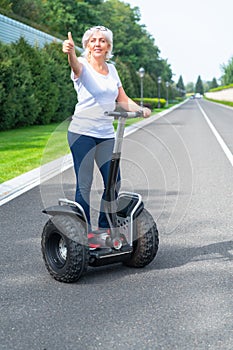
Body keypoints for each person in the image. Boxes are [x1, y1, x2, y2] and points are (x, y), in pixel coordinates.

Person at [62, 25, 151, 248]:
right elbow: (75, 66)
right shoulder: (80, 65)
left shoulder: (112, 69)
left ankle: (103, 229)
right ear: (87, 45)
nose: (97, 44)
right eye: (93, 40)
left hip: (105, 134)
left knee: (113, 182)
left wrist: (139, 109)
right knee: (84, 183)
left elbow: (122, 98)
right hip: (81, 133)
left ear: (108, 46)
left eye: (102, 40)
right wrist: (71, 53)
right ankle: (83, 235)